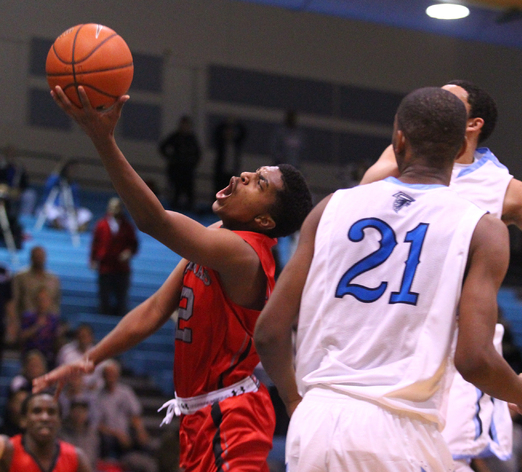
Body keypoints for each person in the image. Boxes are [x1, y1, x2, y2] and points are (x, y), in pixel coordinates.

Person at [254, 87, 522, 472]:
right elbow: (474, 360)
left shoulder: (331, 206)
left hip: (316, 424)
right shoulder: (483, 228)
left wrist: (295, 402)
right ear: (462, 149)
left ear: (399, 140)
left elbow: (269, 333)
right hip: (398, 429)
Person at [34, 85, 313, 472]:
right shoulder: (216, 239)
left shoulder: (245, 253)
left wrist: (103, 140)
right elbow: (152, 310)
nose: (246, 175)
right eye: (254, 172)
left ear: (265, 222)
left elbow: (153, 220)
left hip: (232, 414)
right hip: (201, 416)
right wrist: (89, 360)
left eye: (259, 184)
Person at [360, 79, 522, 471]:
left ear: (473, 124)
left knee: (444, 462)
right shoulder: (402, 154)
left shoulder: (504, 188)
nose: (434, 99)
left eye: (448, 98)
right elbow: (363, 199)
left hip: (452, 343)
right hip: (388, 327)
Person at [0, 392, 92, 472]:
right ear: (23, 420)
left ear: (60, 421)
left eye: (51, 412)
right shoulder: (7, 450)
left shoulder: (76, 457)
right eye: (37, 411)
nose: (45, 418)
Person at [95, 359, 157, 472]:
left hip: (127, 433)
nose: (110, 377)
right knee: (105, 440)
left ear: (118, 375)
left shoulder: (126, 392)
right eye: (107, 374)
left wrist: (140, 431)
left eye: (112, 374)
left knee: (146, 442)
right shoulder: (98, 396)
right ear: (103, 376)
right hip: (108, 435)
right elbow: (97, 424)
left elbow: (135, 415)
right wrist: (118, 434)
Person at [90, 197, 139, 316]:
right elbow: (95, 244)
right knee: (104, 298)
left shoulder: (127, 226)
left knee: (121, 299)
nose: (113, 210)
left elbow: (133, 244)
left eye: (116, 207)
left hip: (121, 268)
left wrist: (129, 252)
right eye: (111, 207)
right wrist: (92, 259)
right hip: (105, 266)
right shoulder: (101, 225)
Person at [159, 115, 201, 212]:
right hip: (176, 169)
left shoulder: (191, 138)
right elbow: (162, 147)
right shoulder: (175, 136)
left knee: (189, 192)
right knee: (175, 192)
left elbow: (198, 153)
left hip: (188, 170)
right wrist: (171, 158)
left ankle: (189, 211)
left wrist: (192, 163)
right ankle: (174, 210)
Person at [8, 246, 61, 321]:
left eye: (41, 256)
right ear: (31, 258)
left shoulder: (54, 279)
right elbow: (14, 300)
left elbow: (56, 302)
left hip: (48, 323)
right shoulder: (20, 277)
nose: (39, 259)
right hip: (25, 321)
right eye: (36, 256)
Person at [18, 287, 62, 367]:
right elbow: (21, 336)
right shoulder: (28, 317)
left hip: (48, 355)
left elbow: (56, 339)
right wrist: (37, 327)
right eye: (40, 299)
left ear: (50, 301)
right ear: (35, 301)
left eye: (45, 300)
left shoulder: (54, 319)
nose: (42, 303)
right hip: (30, 353)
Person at [56, 324, 104, 391]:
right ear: (76, 337)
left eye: (86, 336)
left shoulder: (98, 353)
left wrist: (93, 386)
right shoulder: (65, 351)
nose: (83, 339)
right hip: (69, 389)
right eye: (81, 336)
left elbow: (101, 376)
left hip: (92, 391)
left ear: (91, 337)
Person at [212, 116, 247, 197]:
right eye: (227, 132)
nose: (229, 133)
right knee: (218, 191)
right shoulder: (221, 144)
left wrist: (236, 124)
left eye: (231, 132)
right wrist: (226, 123)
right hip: (221, 172)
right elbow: (216, 132)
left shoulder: (236, 144)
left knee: (230, 193)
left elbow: (243, 133)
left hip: (232, 172)